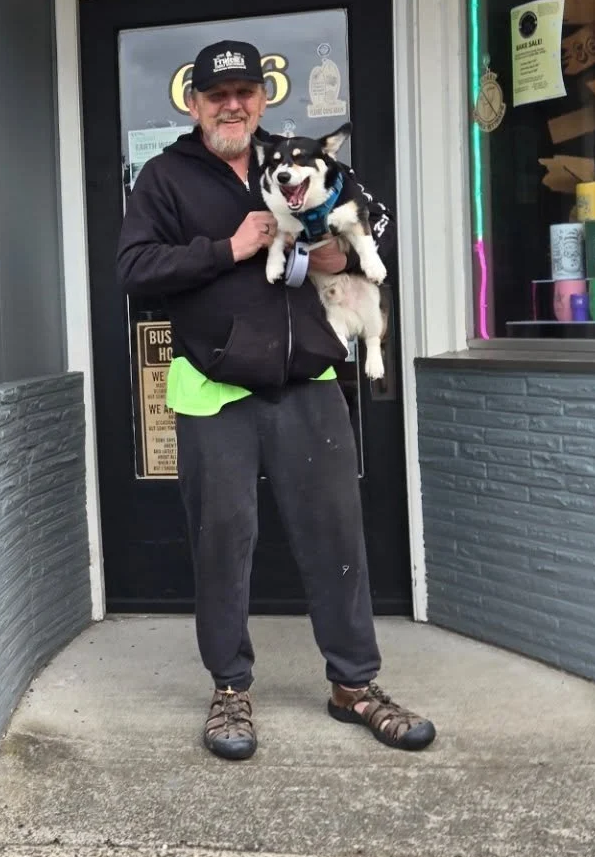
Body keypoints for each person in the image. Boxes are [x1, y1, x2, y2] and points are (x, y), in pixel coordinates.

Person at [117, 39, 435, 760]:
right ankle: (230, 689)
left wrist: (339, 255)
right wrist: (228, 248)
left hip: (309, 382)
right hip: (212, 389)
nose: (232, 106)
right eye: (216, 94)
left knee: (337, 539)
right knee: (223, 545)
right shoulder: (165, 179)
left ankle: (354, 685)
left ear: (262, 98)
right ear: (194, 104)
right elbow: (135, 271)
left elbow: (376, 226)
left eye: (244, 93)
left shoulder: (296, 159)